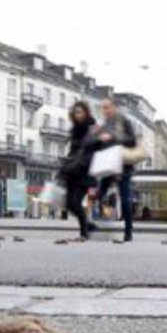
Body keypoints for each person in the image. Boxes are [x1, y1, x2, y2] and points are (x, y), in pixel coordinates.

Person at [96, 98, 137, 242]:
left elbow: (131, 140)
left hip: (123, 165)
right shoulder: (105, 123)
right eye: (103, 108)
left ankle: (128, 232)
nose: (104, 110)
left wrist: (111, 136)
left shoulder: (123, 121)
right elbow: (102, 144)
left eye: (107, 107)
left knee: (125, 198)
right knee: (99, 193)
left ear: (114, 107)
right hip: (108, 165)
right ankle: (104, 219)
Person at [59, 101, 97, 240]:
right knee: (68, 203)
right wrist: (66, 165)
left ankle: (84, 232)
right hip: (72, 171)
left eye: (80, 112)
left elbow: (94, 150)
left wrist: (83, 161)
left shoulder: (92, 129)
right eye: (75, 112)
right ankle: (88, 224)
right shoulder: (75, 130)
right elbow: (73, 151)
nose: (77, 115)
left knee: (75, 201)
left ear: (86, 113)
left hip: (85, 171)